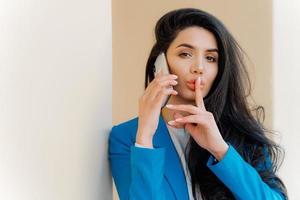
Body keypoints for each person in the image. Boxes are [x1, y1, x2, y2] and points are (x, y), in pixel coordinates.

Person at [108, 8, 288, 200]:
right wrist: (145, 137)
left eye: (210, 58)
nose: (199, 68)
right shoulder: (127, 137)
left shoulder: (243, 135)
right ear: (160, 63)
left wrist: (219, 149)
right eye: (185, 54)